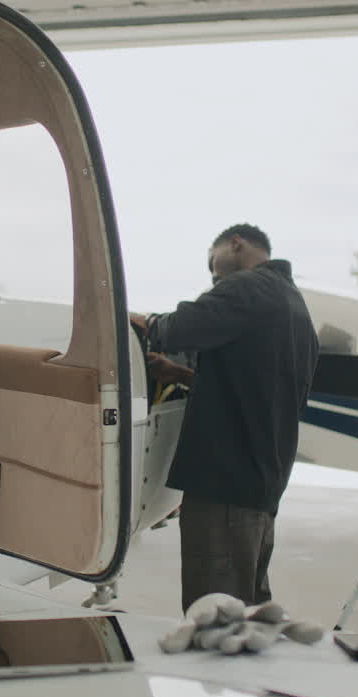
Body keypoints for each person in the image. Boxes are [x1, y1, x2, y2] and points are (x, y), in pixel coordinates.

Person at [133, 223, 319, 611]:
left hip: (226, 486)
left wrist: (146, 324)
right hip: (260, 484)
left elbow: (181, 327)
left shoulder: (247, 287)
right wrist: (182, 374)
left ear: (235, 244)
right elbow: (259, 385)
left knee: (215, 615)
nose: (213, 275)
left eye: (212, 265)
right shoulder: (292, 304)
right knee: (248, 608)